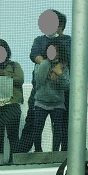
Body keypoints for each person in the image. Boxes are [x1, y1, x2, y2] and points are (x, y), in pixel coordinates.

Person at [19, 9, 71, 152]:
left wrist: (59, 68)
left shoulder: (68, 40)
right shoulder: (39, 40)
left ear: (61, 26)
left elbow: (70, 58)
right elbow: (34, 55)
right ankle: (22, 153)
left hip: (61, 90)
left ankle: (64, 153)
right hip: (40, 89)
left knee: (64, 124)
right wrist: (49, 68)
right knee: (32, 122)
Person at [33, 38, 70, 152]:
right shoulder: (41, 64)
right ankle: (38, 150)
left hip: (58, 103)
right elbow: (38, 81)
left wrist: (59, 74)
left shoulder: (63, 67)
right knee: (37, 129)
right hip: (41, 102)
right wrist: (48, 66)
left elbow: (67, 85)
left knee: (57, 130)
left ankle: (55, 152)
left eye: (56, 51)